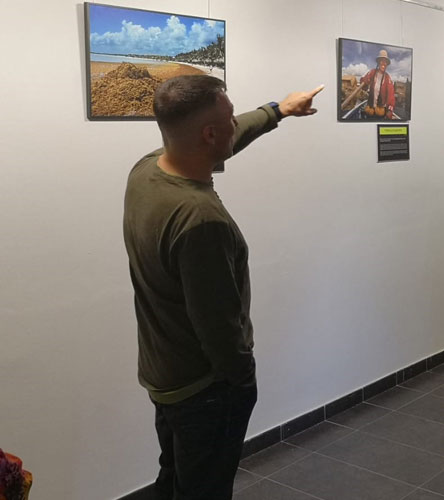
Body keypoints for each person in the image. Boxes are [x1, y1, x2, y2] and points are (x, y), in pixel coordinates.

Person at [122, 75, 323, 499]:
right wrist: (242, 381)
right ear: (210, 135)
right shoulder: (200, 219)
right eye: (230, 118)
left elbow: (229, 135)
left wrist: (277, 111)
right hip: (205, 388)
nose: (236, 123)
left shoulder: (146, 170)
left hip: (165, 373)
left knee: (174, 477)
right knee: (205, 489)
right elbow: (217, 323)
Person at [358, 49, 396, 119]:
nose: (383, 64)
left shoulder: (387, 78)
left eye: (385, 62)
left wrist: (390, 111)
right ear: (378, 62)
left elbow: (391, 96)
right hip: (370, 111)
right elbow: (364, 83)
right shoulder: (372, 72)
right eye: (382, 61)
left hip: (380, 113)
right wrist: (364, 81)